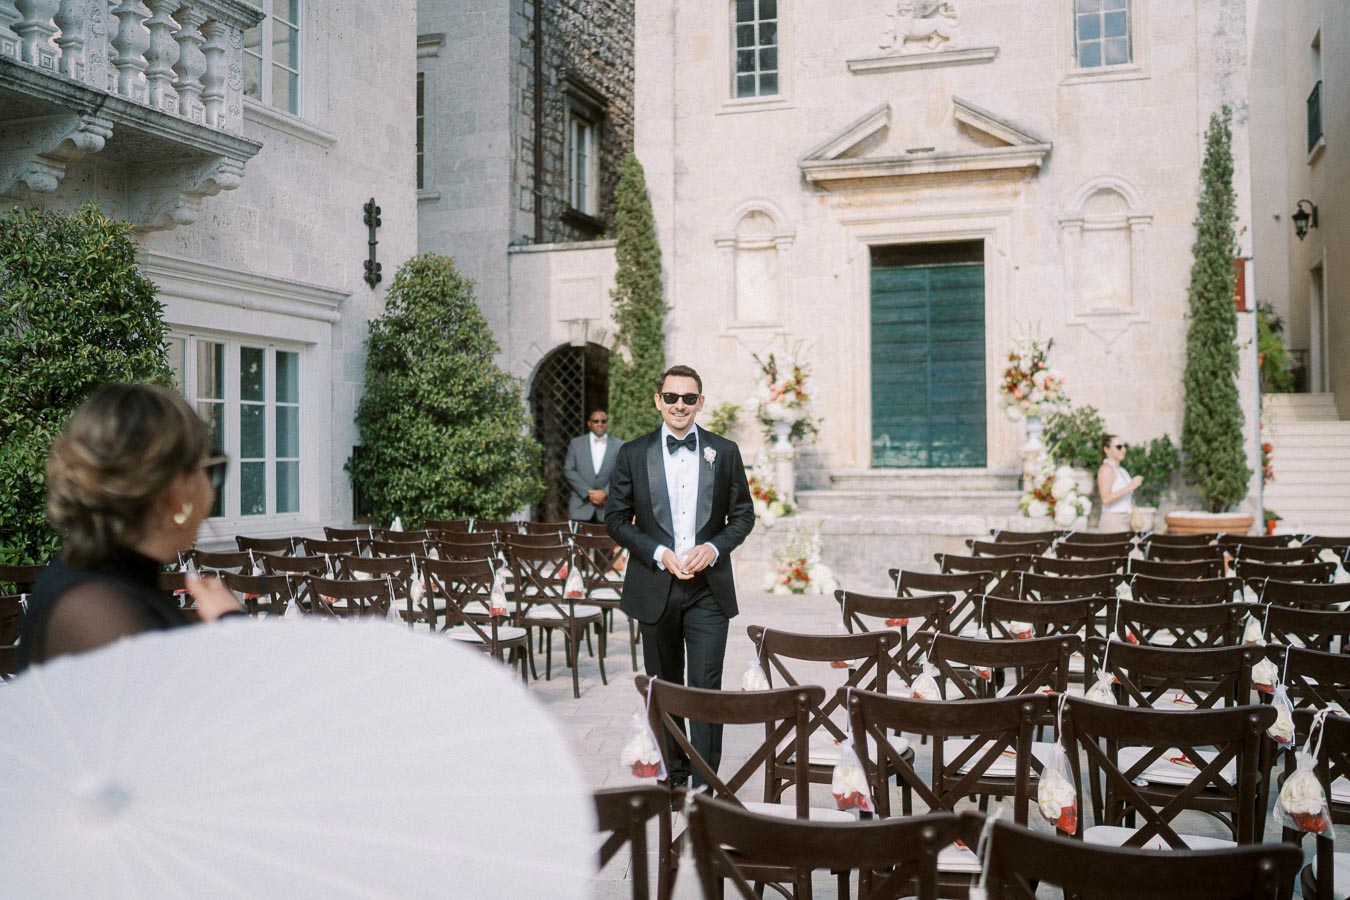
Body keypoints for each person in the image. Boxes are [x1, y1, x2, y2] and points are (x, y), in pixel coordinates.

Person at [605, 365, 755, 796]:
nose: (679, 406)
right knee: (664, 685)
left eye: (689, 399)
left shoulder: (723, 452)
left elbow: (743, 515)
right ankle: (674, 776)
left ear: (701, 403)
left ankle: (705, 785)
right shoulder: (634, 453)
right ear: (658, 401)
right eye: (671, 397)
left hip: (708, 591)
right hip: (655, 587)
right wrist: (658, 553)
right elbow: (615, 518)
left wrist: (715, 548)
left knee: (705, 688)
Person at [18, 383, 243, 669]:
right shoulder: (98, 610)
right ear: (177, 490)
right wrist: (233, 628)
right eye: (210, 470)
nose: (212, 491)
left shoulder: (90, 582)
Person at [562, 409, 623, 524]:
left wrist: (605, 493)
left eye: (603, 421)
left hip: (608, 508)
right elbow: (569, 470)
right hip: (580, 506)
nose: (600, 424)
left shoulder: (619, 445)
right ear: (589, 423)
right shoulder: (576, 444)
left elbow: (622, 473)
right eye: (596, 421)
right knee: (578, 542)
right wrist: (588, 493)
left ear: (607, 423)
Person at [1097, 433, 1144, 533]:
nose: (1123, 450)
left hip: (1127, 519)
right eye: (1119, 447)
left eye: (1125, 446)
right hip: (1114, 520)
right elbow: (1105, 499)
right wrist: (1130, 486)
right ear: (1106, 449)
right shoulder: (1106, 469)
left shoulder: (1122, 470)